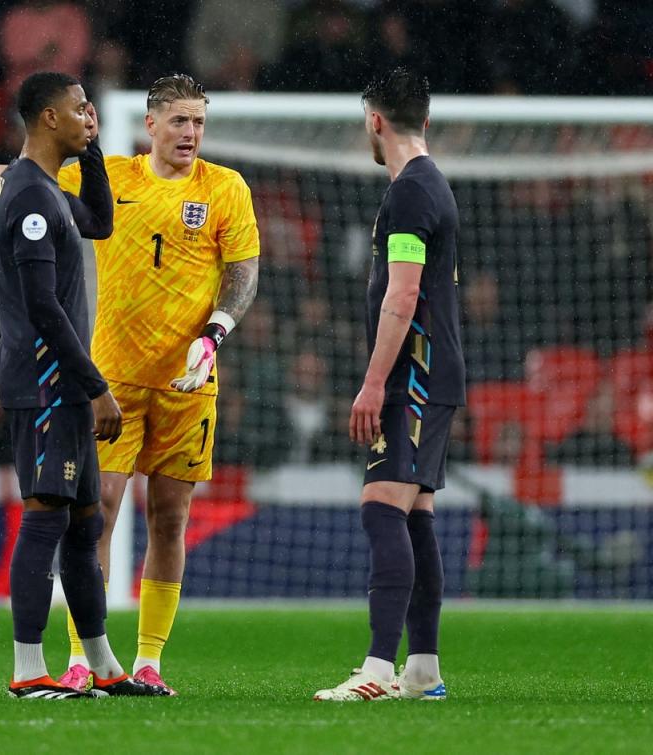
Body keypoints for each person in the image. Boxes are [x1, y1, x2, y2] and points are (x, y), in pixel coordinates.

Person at [0, 73, 260, 695]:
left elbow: (243, 271)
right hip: (103, 375)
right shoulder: (104, 178)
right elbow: (15, 176)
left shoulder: (226, 188)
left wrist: (214, 335)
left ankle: (145, 661)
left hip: (188, 377)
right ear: (150, 125)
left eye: (198, 122)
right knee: (87, 517)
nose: (190, 133)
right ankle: (76, 658)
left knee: (169, 519)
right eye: (179, 121)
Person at [313, 68, 465, 702]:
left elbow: (402, 294)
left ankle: (377, 671)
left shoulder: (408, 193)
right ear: (423, 119)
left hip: (414, 378)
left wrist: (374, 384)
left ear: (375, 121)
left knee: (382, 510)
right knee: (416, 517)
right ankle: (422, 669)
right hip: (435, 373)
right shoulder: (432, 185)